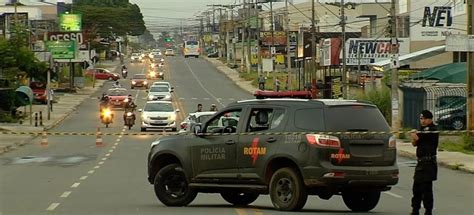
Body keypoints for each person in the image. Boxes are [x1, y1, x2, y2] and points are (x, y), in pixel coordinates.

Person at [409, 110, 439, 215]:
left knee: (426, 189)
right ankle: (415, 209)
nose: (423, 121)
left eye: (425, 118)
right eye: (421, 118)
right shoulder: (421, 129)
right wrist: (414, 136)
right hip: (420, 162)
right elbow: (414, 143)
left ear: (430, 119)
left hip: (429, 162)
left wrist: (414, 134)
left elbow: (417, 138)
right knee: (416, 188)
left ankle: (428, 210)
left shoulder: (432, 130)